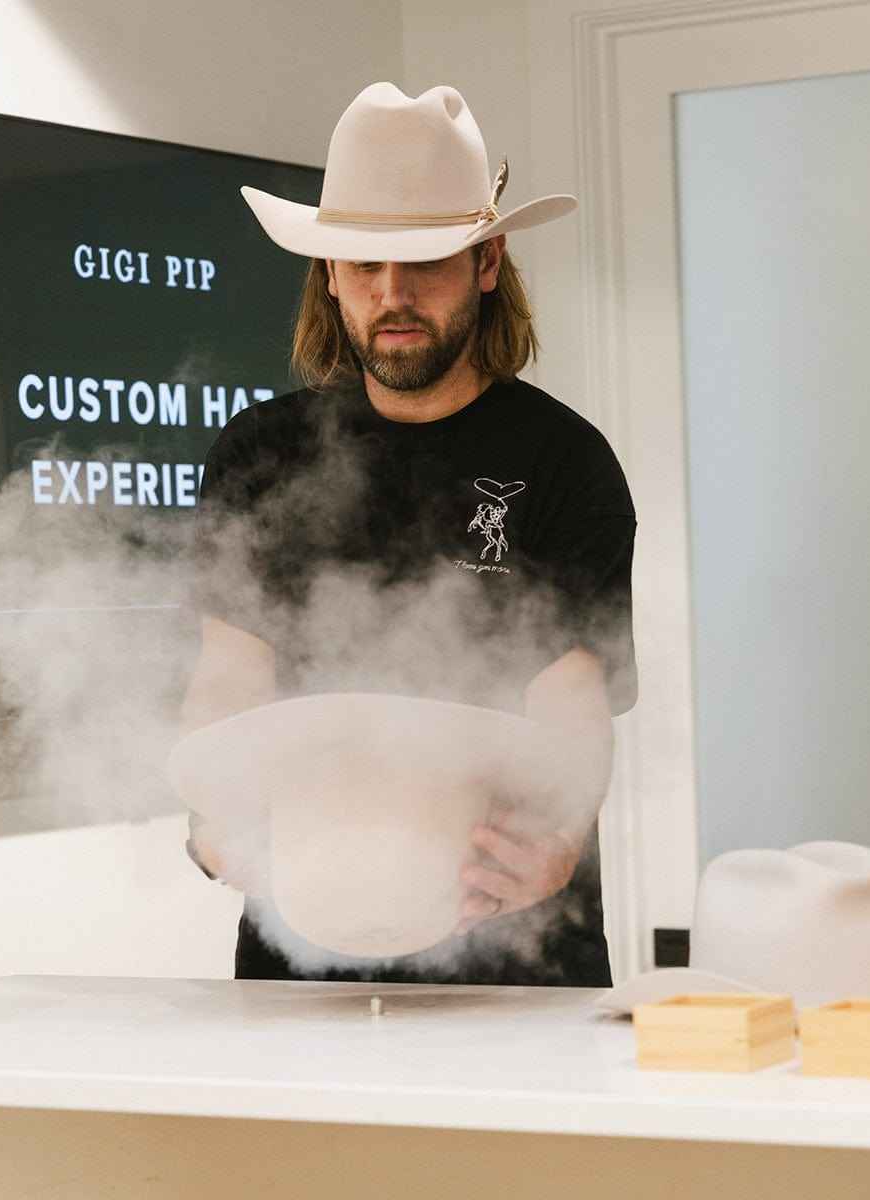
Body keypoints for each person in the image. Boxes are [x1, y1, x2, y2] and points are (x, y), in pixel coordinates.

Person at [179, 82, 637, 987]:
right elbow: (231, 675)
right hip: (302, 946)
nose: (393, 296)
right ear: (330, 277)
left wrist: (559, 840)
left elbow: (571, 702)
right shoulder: (259, 454)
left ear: (489, 262)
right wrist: (212, 811)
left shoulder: (564, 461)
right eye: (361, 267)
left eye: (424, 264)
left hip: (510, 939)